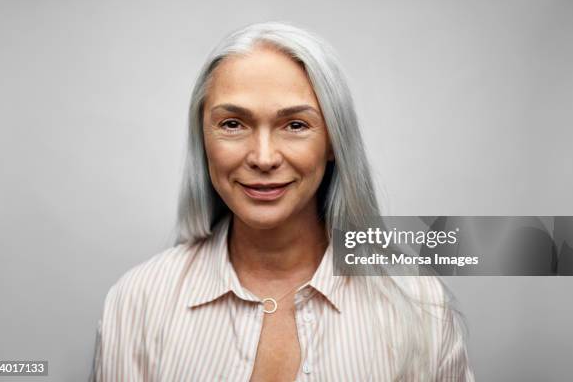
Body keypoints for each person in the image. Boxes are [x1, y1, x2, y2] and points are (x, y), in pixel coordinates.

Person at [90, 21, 475, 381]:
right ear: (202, 140)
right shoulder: (138, 300)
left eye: (295, 125)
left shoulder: (419, 304)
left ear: (334, 144)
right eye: (233, 124)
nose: (263, 157)